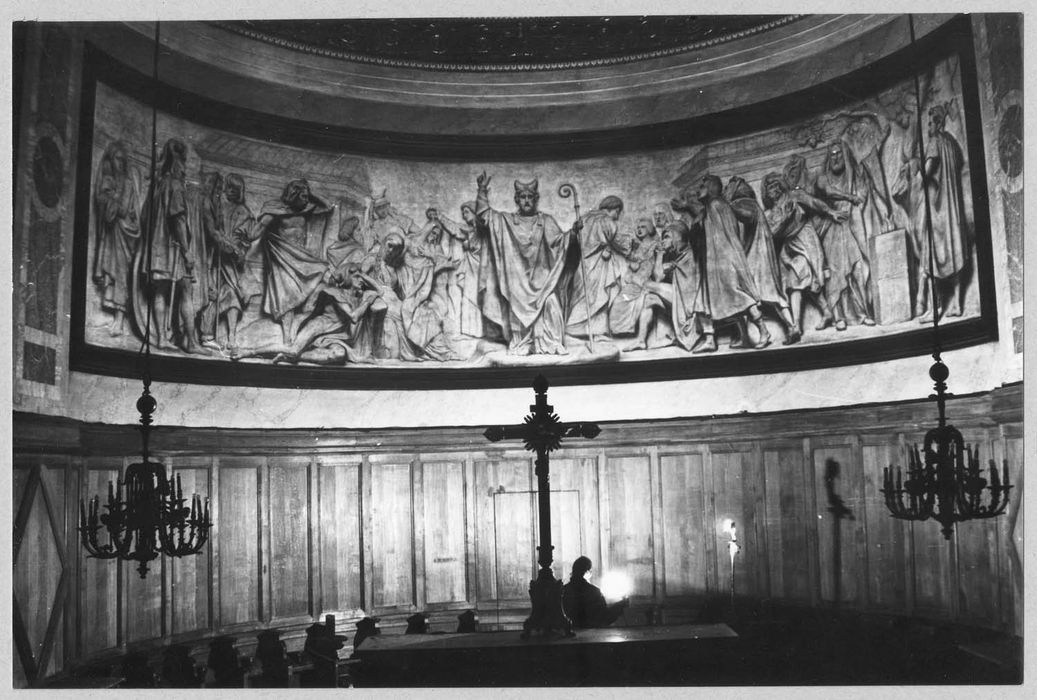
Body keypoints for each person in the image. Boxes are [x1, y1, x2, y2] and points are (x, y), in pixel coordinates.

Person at [475, 173, 579, 355]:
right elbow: (484, 216)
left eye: (530, 197)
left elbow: (559, 242)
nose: (526, 200)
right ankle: (522, 344)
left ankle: (551, 343)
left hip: (543, 281)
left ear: (536, 199)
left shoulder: (546, 221)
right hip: (517, 282)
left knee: (551, 303)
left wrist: (573, 233)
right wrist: (482, 191)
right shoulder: (505, 220)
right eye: (522, 197)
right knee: (517, 306)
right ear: (517, 200)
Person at [136, 137, 199, 351]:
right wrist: (187, 250)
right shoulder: (176, 185)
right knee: (187, 289)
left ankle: (163, 338)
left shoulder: (159, 185)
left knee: (160, 291)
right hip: (174, 247)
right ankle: (190, 342)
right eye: (185, 161)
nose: (186, 168)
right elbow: (178, 219)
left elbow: (145, 217)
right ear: (180, 160)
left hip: (157, 247)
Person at [254, 178, 334, 344]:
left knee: (324, 274)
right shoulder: (275, 210)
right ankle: (287, 337)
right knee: (287, 298)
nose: (307, 200)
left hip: (302, 258)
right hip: (282, 259)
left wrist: (310, 194)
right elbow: (258, 230)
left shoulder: (306, 211)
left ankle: (309, 328)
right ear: (294, 195)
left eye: (307, 197)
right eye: (303, 196)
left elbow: (328, 206)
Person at [762, 172, 841, 336]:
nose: (773, 189)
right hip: (789, 246)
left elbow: (814, 203)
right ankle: (826, 312)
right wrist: (784, 220)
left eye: (776, 185)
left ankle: (797, 326)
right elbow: (771, 234)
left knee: (797, 281)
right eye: (769, 187)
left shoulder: (794, 196)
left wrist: (830, 212)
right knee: (807, 281)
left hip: (806, 239)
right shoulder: (770, 213)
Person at [814, 141, 883, 329]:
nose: (835, 158)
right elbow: (829, 192)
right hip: (832, 229)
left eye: (838, 154)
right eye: (832, 155)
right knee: (836, 274)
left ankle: (862, 314)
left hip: (852, 226)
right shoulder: (822, 177)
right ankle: (839, 317)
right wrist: (850, 197)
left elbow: (863, 195)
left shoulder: (855, 175)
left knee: (857, 271)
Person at [724, 176, 800, 345]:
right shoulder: (752, 205)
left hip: (758, 258)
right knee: (771, 295)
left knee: (751, 293)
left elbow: (747, 216)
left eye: (728, 188)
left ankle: (761, 333)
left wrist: (728, 204)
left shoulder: (747, 204)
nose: (725, 190)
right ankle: (790, 326)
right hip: (760, 255)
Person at [918, 102, 969, 321]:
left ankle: (934, 308)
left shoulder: (935, 142)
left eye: (930, 122)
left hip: (939, 210)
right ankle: (956, 305)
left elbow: (927, 172)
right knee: (955, 254)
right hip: (953, 209)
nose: (927, 127)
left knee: (929, 258)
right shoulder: (951, 142)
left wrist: (919, 172)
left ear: (938, 123)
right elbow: (957, 164)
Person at [92, 140, 141, 337]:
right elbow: (103, 202)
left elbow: (134, 210)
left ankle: (120, 320)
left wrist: (127, 214)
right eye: (116, 159)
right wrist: (113, 204)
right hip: (114, 233)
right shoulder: (108, 181)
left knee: (123, 274)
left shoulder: (130, 183)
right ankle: (114, 318)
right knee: (115, 274)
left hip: (127, 233)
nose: (119, 164)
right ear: (110, 161)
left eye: (122, 160)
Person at [566, 195, 627, 340]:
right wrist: (632, 247)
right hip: (598, 264)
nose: (617, 217)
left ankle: (576, 328)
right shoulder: (606, 220)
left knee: (583, 295)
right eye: (617, 213)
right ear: (615, 209)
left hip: (581, 264)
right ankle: (596, 332)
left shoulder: (585, 218)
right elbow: (619, 241)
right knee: (599, 296)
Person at [561, 556, 628, 629]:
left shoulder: (563, 590)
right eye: (591, 571)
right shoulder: (593, 591)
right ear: (587, 571)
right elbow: (604, 618)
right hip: (590, 635)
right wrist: (620, 605)